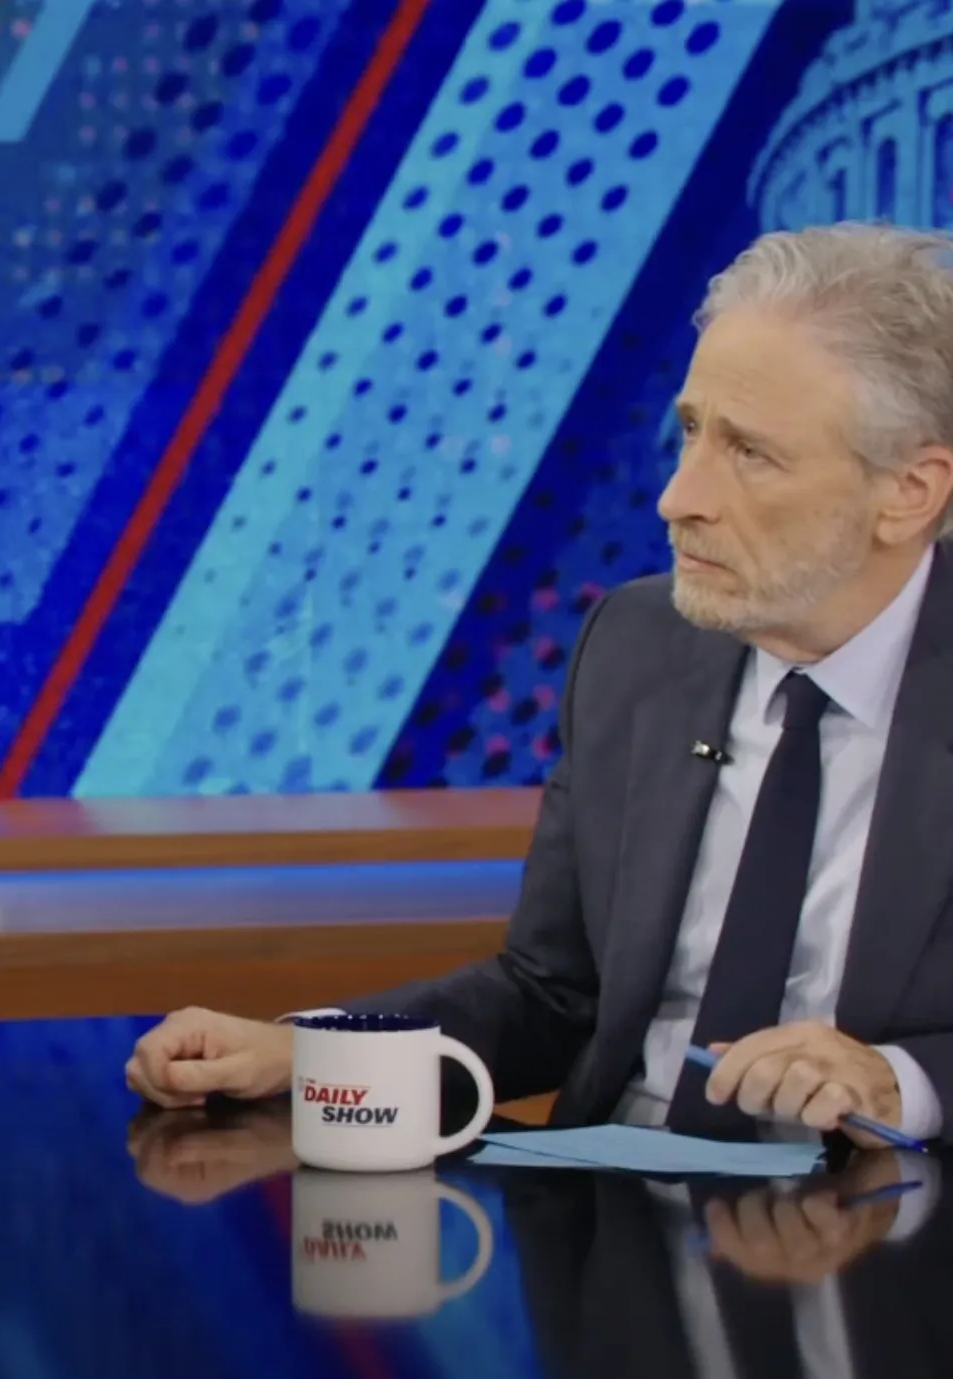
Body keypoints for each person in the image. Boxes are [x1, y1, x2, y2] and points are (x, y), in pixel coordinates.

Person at [126, 221, 953, 1150]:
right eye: (690, 432)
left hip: (888, 1240)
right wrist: (310, 1055)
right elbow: (554, 995)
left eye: (751, 453)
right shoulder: (637, 648)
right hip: (618, 1231)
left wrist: (900, 1083)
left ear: (909, 493)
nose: (678, 497)